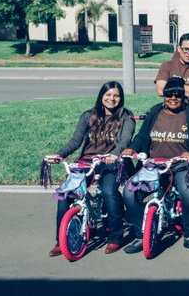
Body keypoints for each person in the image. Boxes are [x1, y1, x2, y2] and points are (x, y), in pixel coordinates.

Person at [47, 82, 135, 257]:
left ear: (121, 98)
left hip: (111, 162)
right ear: (102, 96)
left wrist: (114, 154)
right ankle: (61, 239)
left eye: (116, 95)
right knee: (66, 194)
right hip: (87, 162)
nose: (112, 99)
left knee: (109, 192)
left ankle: (115, 237)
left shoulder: (126, 117)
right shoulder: (89, 115)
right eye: (108, 95)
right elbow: (75, 141)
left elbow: (125, 141)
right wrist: (59, 154)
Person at [121, 77, 189, 253]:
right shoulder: (155, 112)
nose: (173, 98)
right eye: (169, 94)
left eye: (177, 94)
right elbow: (142, 137)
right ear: (164, 96)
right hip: (154, 164)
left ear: (183, 96)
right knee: (129, 192)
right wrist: (131, 149)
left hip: (179, 165)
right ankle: (140, 234)